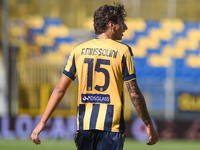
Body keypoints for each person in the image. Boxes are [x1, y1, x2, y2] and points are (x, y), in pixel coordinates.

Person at [31, 3, 159, 150]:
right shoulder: (123, 51)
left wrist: (42, 122)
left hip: (85, 126)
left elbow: (60, 89)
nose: (125, 27)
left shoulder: (78, 50)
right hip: (111, 128)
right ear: (111, 24)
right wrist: (148, 124)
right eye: (122, 22)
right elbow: (134, 93)